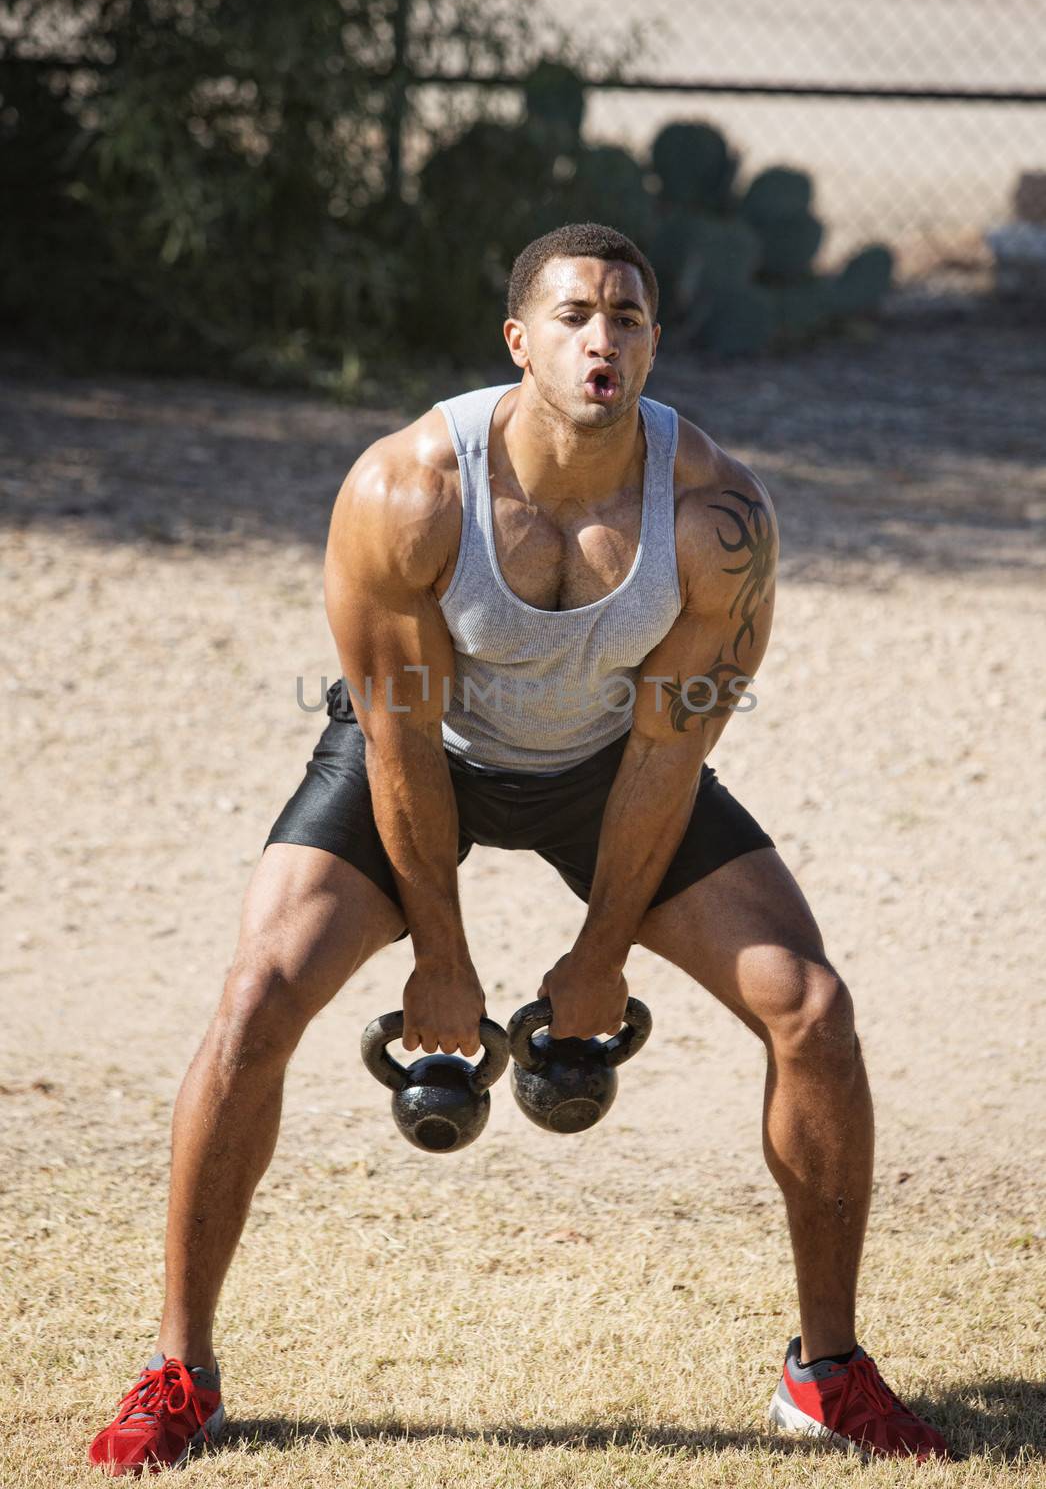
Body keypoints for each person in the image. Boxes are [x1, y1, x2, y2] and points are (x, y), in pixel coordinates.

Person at [89, 222, 951, 1474]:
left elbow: (668, 754)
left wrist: (599, 958)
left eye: (628, 317)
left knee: (809, 1006)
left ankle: (823, 1373)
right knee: (255, 995)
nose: (602, 338)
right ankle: (180, 1370)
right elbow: (396, 745)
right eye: (572, 315)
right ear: (517, 339)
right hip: (421, 757)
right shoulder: (409, 491)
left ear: (655, 339)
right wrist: (440, 956)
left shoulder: (718, 521)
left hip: (609, 767)